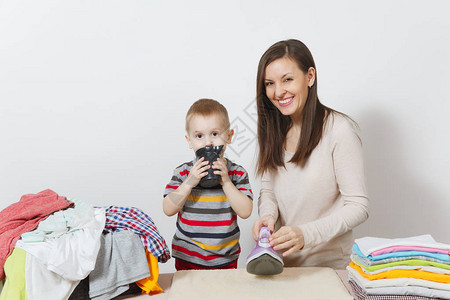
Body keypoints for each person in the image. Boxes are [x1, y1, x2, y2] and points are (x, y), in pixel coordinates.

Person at [252, 39, 369, 269]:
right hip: (283, 267)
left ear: (310, 77)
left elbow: (358, 206)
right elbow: (269, 192)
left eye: (287, 79)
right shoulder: (273, 131)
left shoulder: (339, 130)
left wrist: (305, 234)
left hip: (329, 270)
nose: (278, 92)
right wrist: (268, 217)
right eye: (269, 83)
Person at [163, 98, 253, 270]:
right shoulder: (182, 173)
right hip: (188, 256)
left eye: (215, 134)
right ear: (189, 141)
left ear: (229, 136)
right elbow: (168, 208)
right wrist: (189, 182)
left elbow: (246, 211)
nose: (208, 143)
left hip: (225, 258)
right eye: (199, 136)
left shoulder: (237, 173)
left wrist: (226, 181)